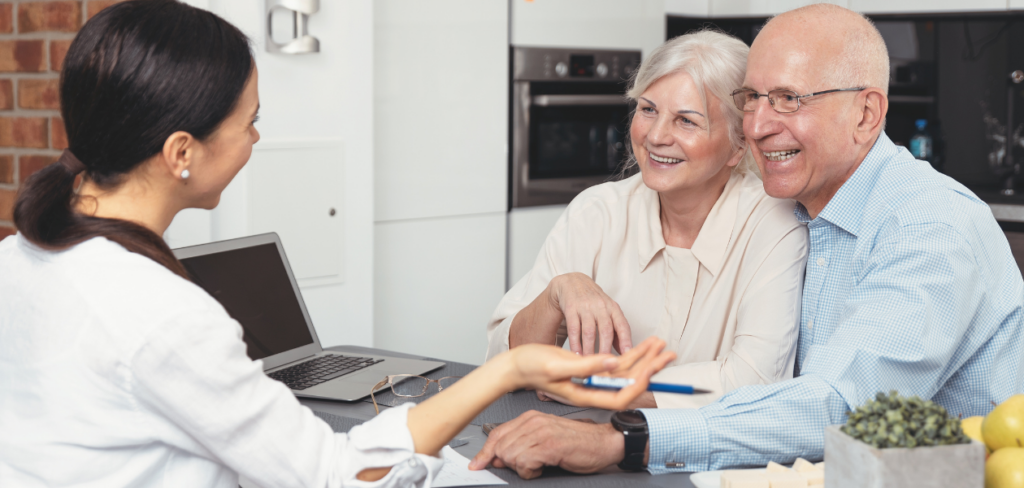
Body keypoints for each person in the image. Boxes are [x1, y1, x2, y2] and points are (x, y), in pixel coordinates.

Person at [0, 2, 677, 487]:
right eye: (250, 123)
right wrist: (508, 370)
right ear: (181, 151)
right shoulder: (163, 315)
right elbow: (334, 475)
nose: (255, 141)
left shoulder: (20, 257)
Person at [472, 4, 1024, 479]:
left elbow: (838, 404)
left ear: (866, 113)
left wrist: (625, 438)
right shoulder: (810, 209)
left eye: (788, 99)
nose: (757, 124)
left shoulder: (928, 226)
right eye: (752, 98)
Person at [486, 29, 808, 411]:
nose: (656, 136)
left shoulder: (775, 224)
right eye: (648, 109)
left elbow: (755, 382)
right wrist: (558, 292)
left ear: (738, 146)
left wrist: (608, 387)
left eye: (686, 121)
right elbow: (502, 361)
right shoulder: (597, 212)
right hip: (576, 438)